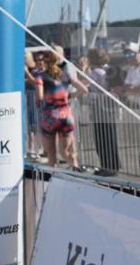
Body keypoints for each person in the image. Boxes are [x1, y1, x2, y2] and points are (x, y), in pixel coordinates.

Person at [35, 50, 88, 170]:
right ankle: (75, 166)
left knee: (51, 154)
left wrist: (41, 100)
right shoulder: (65, 75)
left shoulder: (40, 77)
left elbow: (40, 97)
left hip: (50, 117)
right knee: (64, 152)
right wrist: (68, 96)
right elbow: (84, 90)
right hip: (66, 116)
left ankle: (53, 177)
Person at [86, 48, 121, 176]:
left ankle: (107, 166)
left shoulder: (96, 72)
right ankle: (112, 165)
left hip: (100, 108)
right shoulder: (107, 70)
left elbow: (93, 89)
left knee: (102, 138)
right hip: (107, 108)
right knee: (109, 136)